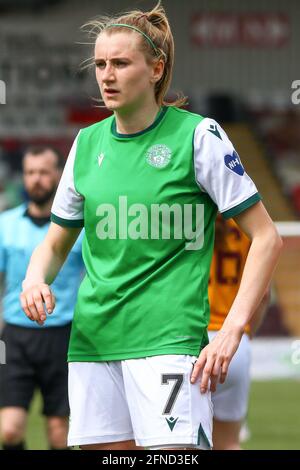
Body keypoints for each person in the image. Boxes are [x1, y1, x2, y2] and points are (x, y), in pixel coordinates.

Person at [20, 2, 282, 451]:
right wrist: (33, 278)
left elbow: (267, 237)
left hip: (169, 342)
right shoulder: (86, 143)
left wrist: (233, 329)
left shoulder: (199, 137)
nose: (106, 75)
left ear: (156, 69)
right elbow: (56, 242)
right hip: (92, 344)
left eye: (120, 63)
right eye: (100, 64)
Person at [0, 146, 84, 450]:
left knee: (59, 433)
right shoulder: (5, 225)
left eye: (44, 172)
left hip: (63, 335)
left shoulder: (76, 230)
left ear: (58, 176)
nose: (37, 179)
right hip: (15, 337)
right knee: (9, 430)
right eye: (30, 172)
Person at [208, 216, 270, 450]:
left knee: (176, 444)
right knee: (229, 443)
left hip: (189, 340)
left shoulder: (186, 219)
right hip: (233, 344)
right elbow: (263, 295)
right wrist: (244, 337)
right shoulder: (249, 227)